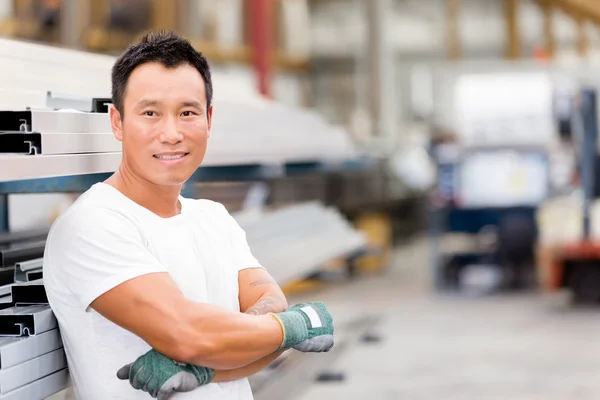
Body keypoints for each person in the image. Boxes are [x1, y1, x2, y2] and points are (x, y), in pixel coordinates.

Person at [43, 30, 334, 400]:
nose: (171, 133)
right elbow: (187, 334)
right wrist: (296, 327)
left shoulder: (213, 218)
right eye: (150, 113)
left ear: (209, 119)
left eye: (187, 112)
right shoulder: (94, 224)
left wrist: (202, 369)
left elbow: (269, 313)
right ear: (116, 122)